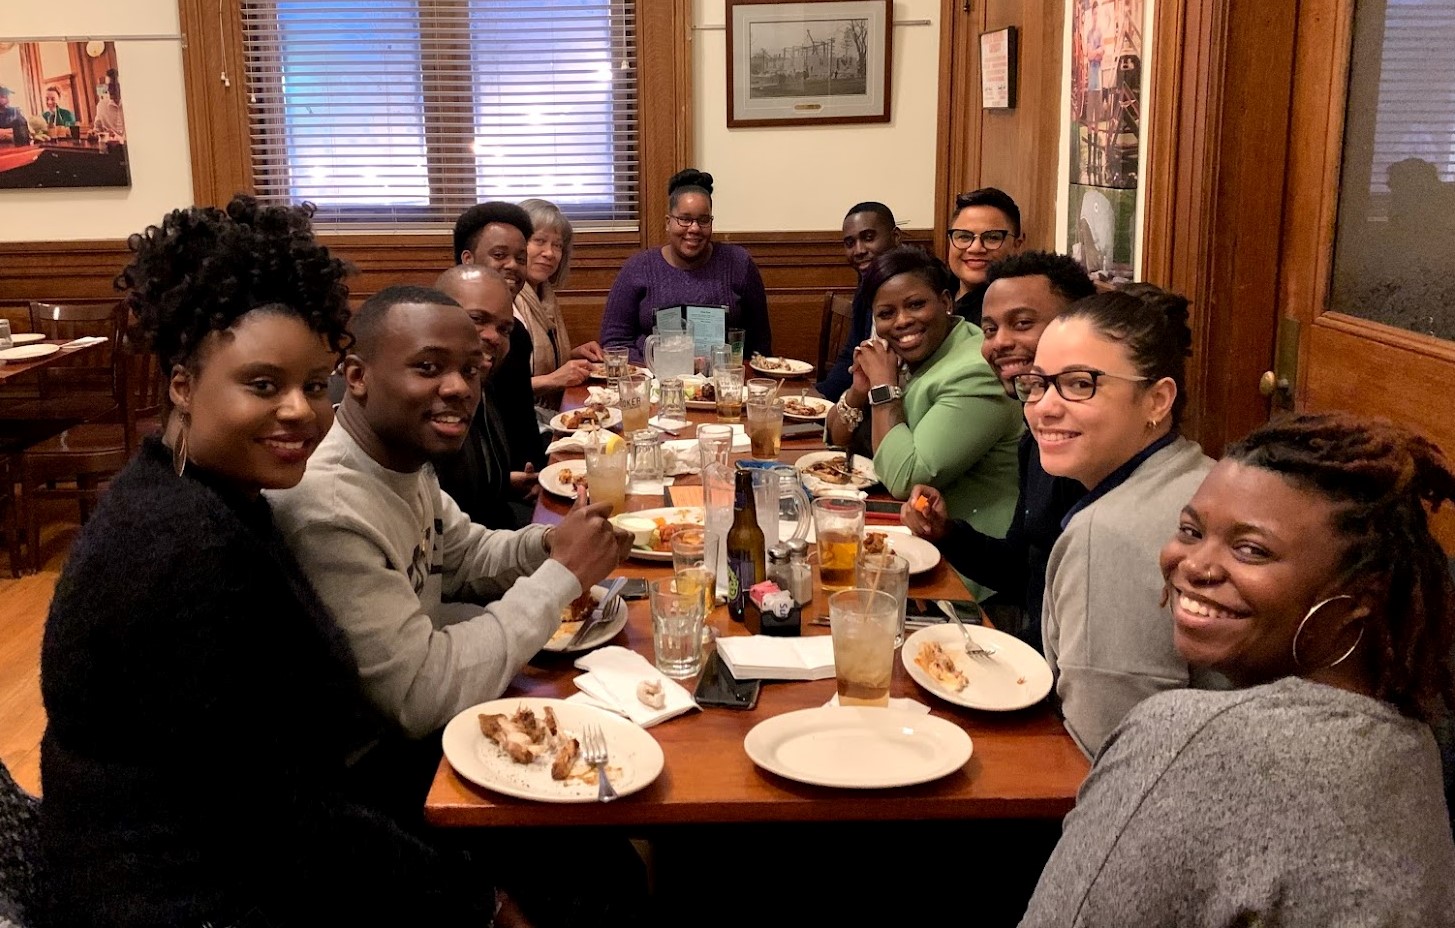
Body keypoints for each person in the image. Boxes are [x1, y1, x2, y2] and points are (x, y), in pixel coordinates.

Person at [38, 196, 505, 927]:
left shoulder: (213, 495)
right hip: (183, 893)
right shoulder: (179, 548)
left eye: (312, 385)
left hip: (245, 842)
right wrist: (476, 903)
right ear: (183, 384)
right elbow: (273, 817)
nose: (300, 412)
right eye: (263, 385)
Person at [1020, 413, 1455, 925]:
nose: (1195, 565)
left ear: (1360, 597)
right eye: (1190, 530)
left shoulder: (1191, 737)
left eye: (1251, 549)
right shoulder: (1414, 739)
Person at [267, 284, 630, 739]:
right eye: (428, 367)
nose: (460, 387)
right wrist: (562, 575)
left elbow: (465, 555)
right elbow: (419, 694)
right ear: (357, 376)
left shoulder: (402, 457)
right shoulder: (328, 510)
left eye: (471, 370)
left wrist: (549, 543)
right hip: (376, 770)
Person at [1019, 287, 1222, 758]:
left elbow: (1104, 753)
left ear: (1157, 400)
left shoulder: (1107, 534)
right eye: (1038, 383)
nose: (1045, 406)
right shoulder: (1202, 474)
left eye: (1080, 383)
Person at [901, 252, 1095, 646]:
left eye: (1022, 323)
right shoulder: (1037, 442)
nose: (999, 343)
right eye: (989, 330)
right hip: (1029, 645)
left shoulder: (1096, 458)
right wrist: (948, 533)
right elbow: (1021, 568)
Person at [824, 246, 1022, 600]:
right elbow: (836, 438)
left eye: (916, 305)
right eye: (886, 313)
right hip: (908, 540)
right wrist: (857, 392)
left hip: (969, 570)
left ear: (946, 301)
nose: (901, 321)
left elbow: (906, 478)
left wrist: (884, 390)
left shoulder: (976, 370)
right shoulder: (905, 353)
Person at [600, 167, 772, 363]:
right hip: (656, 382)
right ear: (668, 222)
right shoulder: (638, 268)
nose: (694, 228)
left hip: (724, 383)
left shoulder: (739, 264)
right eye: (685, 219)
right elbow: (614, 342)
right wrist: (655, 363)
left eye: (703, 220)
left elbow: (760, 345)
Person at [453, 201, 545, 498]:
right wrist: (500, 482)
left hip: (519, 480)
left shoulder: (514, 334)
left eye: (520, 258)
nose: (513, 266)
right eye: (499, 255)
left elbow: (519, 417)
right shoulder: (444, 337)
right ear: (468, 259)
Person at [433, 265, 523, 529]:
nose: (494, 337)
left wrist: (501, 481)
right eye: (477, 319)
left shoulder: (483, 385)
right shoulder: (426, 403)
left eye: (505, 329)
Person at [515, 197, 604, 412]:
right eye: (539, 241)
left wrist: (572, 356)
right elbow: (492, 388)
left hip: (551, 413)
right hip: (521, 421)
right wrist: (554, 379)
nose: (550, 253)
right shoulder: (504, 300)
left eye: (557, 245)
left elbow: (535, 361)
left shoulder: (545, 294)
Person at [815, 201, 902, 402]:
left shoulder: (917, 287)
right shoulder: (866, 288)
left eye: (868, 238)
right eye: (849, 243)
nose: (859, 250)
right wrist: (816, 399)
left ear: (895, 237)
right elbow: (850, 356)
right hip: (864, 399)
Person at [946, 187, 1025, 325]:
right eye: (964, 236)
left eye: (992, 238)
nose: (975, 248)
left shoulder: (1016, 309)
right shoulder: (932, 291)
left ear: (1017, 245)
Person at [93, 68, 125, 140]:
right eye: (108, 86)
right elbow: (97, 130)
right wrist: (94, 133)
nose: (109, 90)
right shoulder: (101, 105)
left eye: (113, 86)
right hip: (111, 148)